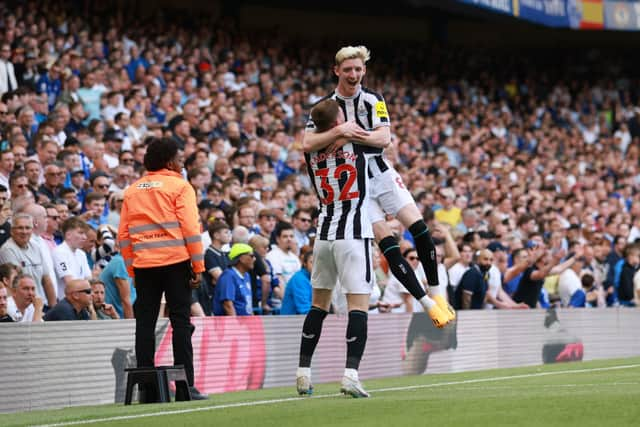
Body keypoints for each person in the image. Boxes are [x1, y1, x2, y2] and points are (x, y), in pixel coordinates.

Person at [302, 45, 452, 328]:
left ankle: (437, 293)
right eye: (348, 69)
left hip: (379, 171)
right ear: (337, 71)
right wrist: (339, 130)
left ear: (364, 70)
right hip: (354, 186)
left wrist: (348, 135)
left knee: (419, 228)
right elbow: (307, 143)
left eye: (358, 69)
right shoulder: (325, 106)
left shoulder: (373, 99)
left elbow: (384, 139)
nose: (354, 74)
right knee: (388, 243)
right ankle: (427, 304)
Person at [296, 98, 388, 399]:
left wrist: (335, 132)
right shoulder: (354, 144)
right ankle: (350, 374)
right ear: (339, 121)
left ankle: (303, 373)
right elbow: (382, 138)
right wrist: (348, 132)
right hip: (353, 232)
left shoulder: (311, 152)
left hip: (323, 233)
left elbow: (307, 142)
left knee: (318, 305)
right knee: (357, 306)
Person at [118, 137, 207, 400]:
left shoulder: (132, 190)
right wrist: (197, 265)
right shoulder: (180, 186)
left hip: (145, 266)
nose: (182, 164)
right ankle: (185, 387)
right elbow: (191, 229)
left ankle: (147, 389)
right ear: (169, 162)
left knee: (144, 324)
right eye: (180, 160)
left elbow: (124, 236)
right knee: (181, 322)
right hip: (176, 262)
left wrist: (133, 270)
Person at [0, 213, 56, 308]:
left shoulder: (36, 247)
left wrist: (53, 306)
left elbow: (46, 279)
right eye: (20, 228)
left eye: (27, 228)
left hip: (40, 304)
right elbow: (16, 283)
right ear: (12, 231)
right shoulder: (7, 250)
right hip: (23, 307)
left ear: (32, 230)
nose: (24, 231)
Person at [52, 217, 92, 297]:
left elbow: (88, 279)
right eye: (80, 233)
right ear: (68, 235)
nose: (85, 237)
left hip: (81, 301)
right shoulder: (59, 252)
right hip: (65, 302)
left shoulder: (81, 254)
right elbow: (70, 283)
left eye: (85, 234)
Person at [213, 243, 255, 316]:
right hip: (231, 325)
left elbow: (248, 305)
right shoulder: (228, 276)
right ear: (241, 258)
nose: (254, 259)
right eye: (251, 256)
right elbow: (228, 305)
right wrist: (235, 325)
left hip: (245, 323)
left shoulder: (246, 275)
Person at [200, 219, 231, 315]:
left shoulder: (223, 254)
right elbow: (221, 278)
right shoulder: (210, 255)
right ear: (216, 235)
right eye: (226, 232)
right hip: (213, 299)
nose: (229, 235)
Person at [99, 250, 135, 319]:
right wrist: (130, 328)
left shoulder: (133, 264)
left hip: (118, 317)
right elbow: (125, 301)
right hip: (109, 318)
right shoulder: (120, 262)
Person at [281, 249, 313, 315]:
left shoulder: (316, 279)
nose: (316, 265)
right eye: (312, 262)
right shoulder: (299, 279)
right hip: (291, 322)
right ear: (305, 263)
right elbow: (304, 309)